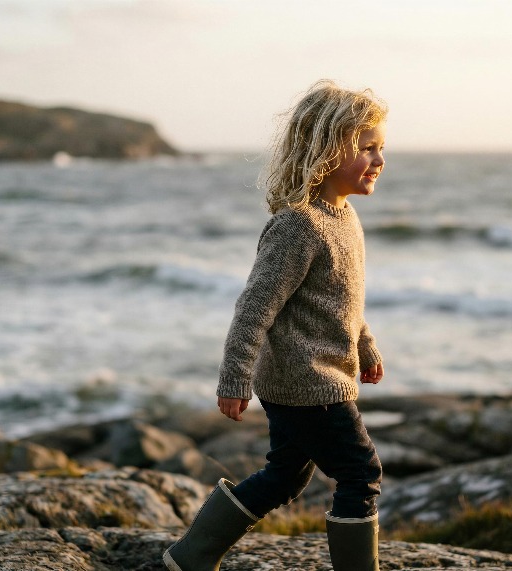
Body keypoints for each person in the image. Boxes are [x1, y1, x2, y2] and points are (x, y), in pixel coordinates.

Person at [163, 79, 387, 571]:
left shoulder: (345, 218)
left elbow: (342, 300)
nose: (380, 160)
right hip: (307, 382)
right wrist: (234, 377)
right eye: (367, 148)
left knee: (285, 476)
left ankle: (190, 558)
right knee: (360, 473)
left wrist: (365, 346)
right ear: (328, 149)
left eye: (381, 148)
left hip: (317, 377)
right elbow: (254, 308)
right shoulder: (299, 225)